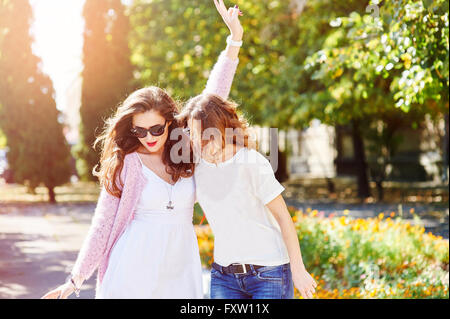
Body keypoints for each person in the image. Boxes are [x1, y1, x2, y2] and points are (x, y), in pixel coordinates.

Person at [41, 1, 243, 299]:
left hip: (179, 267)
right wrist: (76, 279)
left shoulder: (187, 150)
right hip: (132, 271)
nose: (149, 137)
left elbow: (213, 96)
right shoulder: (127, 164)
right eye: (140, 130)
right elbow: (103, 224)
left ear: (170, 124)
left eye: (157, 129)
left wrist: (234, 41)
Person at [177, 5, 317, 298]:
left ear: (222, 129)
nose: (198, 144)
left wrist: (298, 269)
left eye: (204, 136)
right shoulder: (198, 165)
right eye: (193, 136)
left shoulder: (251, 163)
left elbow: (284, 219)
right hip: (223, 276)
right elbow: (214, 91)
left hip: (269, 273)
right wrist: (233, 41)